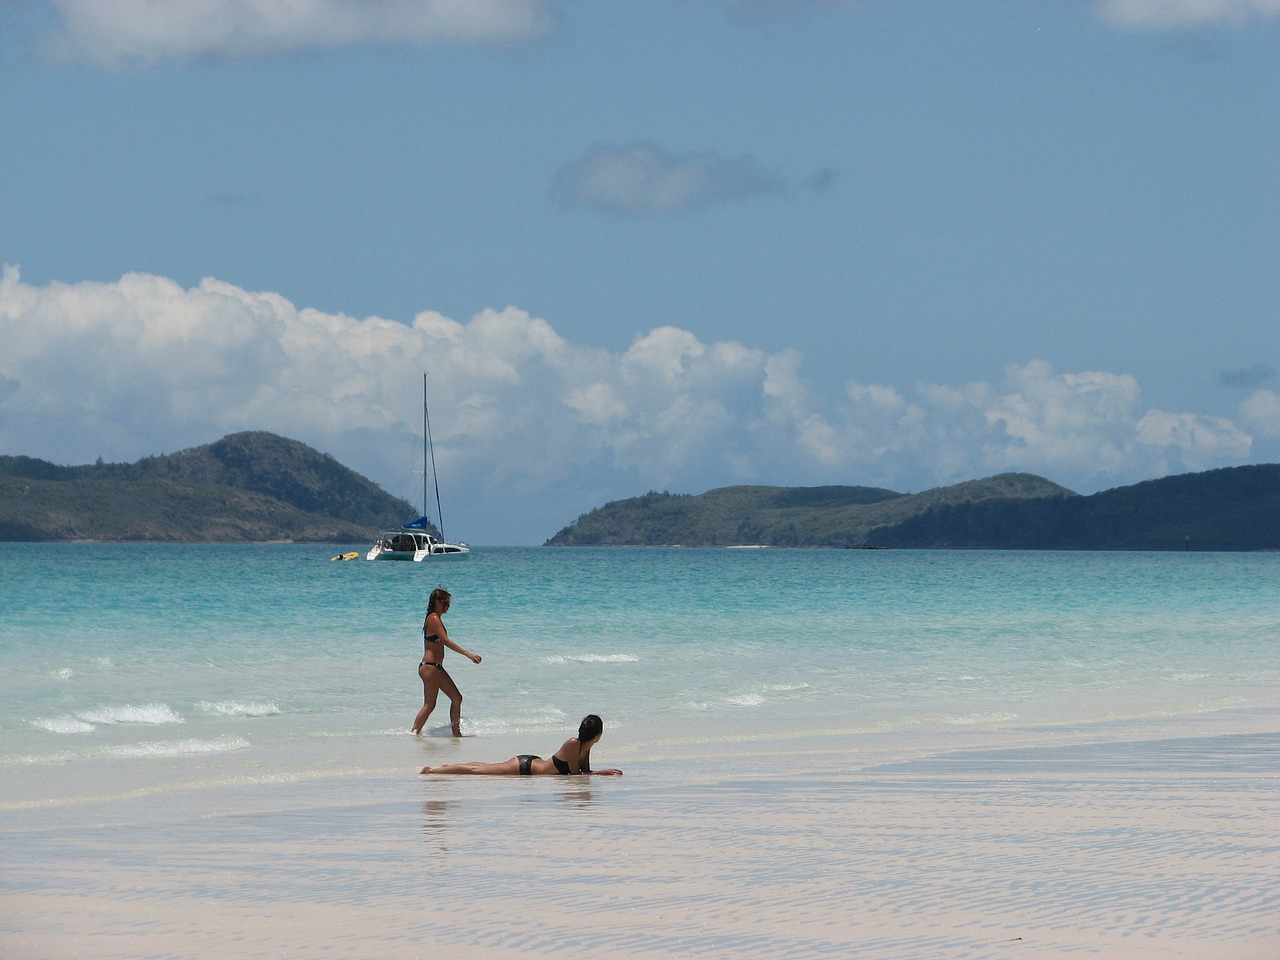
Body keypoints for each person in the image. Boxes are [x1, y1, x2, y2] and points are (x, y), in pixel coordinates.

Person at [420, 714, 623, 776]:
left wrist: (600, 773)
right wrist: (603, 773)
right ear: (598, 734)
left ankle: (448, 767)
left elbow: (584, 774)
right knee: (477, 771)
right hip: (525, 767)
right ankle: (434, 771)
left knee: (485, 766)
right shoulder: (573, 744)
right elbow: (574, 776)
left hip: (532, 766)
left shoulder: (586, 748)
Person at [411, 587, 482, 737]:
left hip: (435, 668)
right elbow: (446, 641)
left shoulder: (433, 618)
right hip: (430, 668)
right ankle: (413, 734)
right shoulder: (434, 618)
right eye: (446, 603)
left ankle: (456, 734)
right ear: (437, 602)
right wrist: (468, 654)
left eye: (449, 604)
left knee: (456, 698)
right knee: (430, 705)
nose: (448, 607)